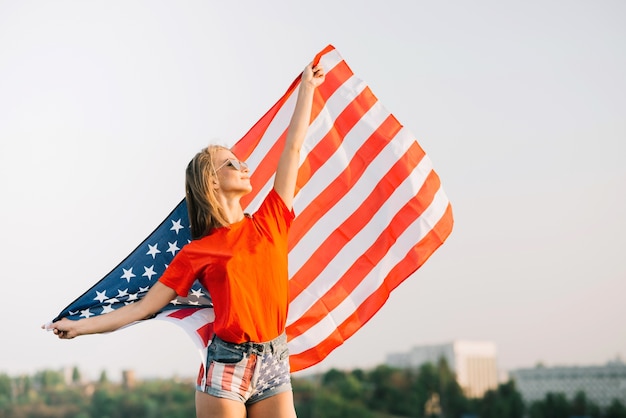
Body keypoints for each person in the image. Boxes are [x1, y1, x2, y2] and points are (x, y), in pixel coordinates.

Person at [46, 62, 325, 418]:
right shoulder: (197, 252)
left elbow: (293, 150)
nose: (244, 167)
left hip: (274, 364)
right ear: (211, 182)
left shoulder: (271, 220)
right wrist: (78, 328)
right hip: (227, 367)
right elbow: (142, 308)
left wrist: (307, 89)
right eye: (231, 164)